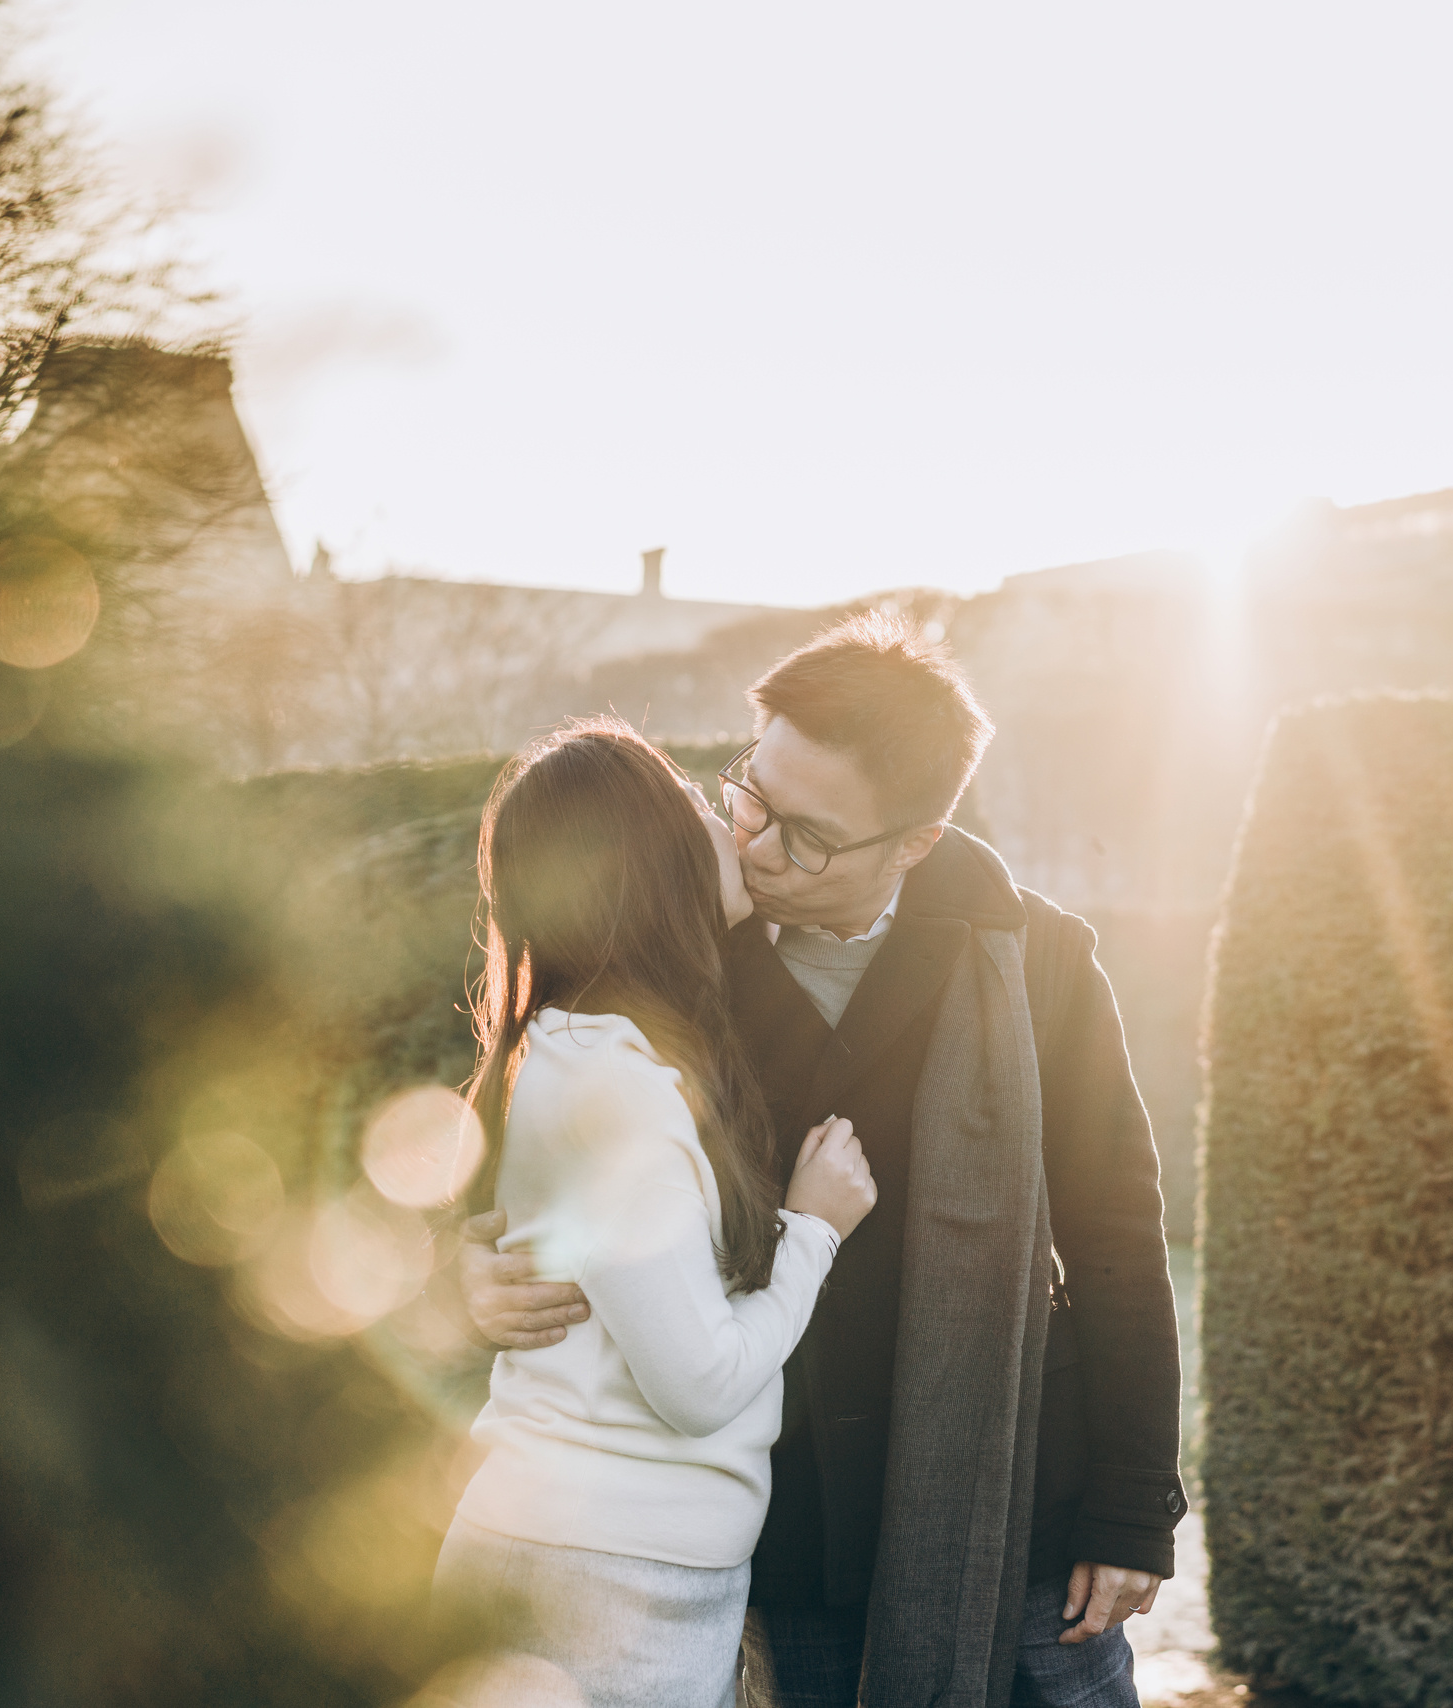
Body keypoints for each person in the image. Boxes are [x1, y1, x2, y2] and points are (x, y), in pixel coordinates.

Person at [465, 615, 1185, 1708]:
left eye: (804, 835)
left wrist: (1132, 1503)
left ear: (914, 840)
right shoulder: (674, 949)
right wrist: (471, 1272)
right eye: (749, 792)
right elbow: (529, 1159)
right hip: (786, 1529)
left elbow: (1119, 1236)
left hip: (1011, 1506)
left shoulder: (1038, 961)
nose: (753, 844)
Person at [433, 720, 881, 1708]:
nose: (728, 822)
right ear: (647, 865)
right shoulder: (610, 1081)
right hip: (597, 1582)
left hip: (615, 1570)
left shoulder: (588, 1053)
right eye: (695, 804)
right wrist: (813, 1230)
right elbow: (698, 1381)